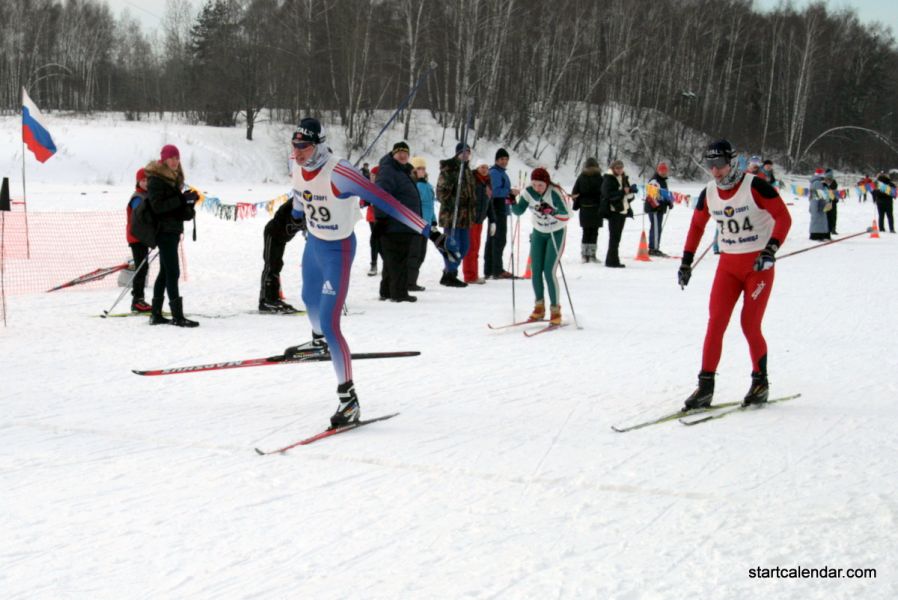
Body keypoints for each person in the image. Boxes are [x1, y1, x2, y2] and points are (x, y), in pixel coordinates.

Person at [282, 118, 442, 428]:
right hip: (314, 244)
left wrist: (430, 232)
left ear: (318, 145)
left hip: (337, 251)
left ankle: (349, 400)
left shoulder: (340, 173)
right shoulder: (297, 165)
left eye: (304, 147)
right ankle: (318, 342)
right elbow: (300, 193)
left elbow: (388, 203)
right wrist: (296, 217)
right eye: (295, 145)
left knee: (330, 321)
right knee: (308, 298)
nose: (297, 152)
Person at [677, 139, 792, 409]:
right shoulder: (709, 192)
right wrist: (686, 262)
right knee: (716, 322)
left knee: (749, 323)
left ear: (732, 162)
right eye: (710, 165)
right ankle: (705, 387)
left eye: (719, 164)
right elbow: (696, 226)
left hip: (757, 267)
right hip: (728, 267)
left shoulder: (755, 186)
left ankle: (760, 382)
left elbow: (783, 218)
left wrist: (770, 250)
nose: (715, 171)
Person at [144, 144, 199, 327]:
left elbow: (178, 211)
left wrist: (189, 204)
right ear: (164, 159)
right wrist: (180, 200)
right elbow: (158, 207)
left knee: (165, 272)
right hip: (163, 231)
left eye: (177, 158)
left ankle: (156, 314)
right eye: (172, 158)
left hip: (173, 231)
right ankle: (177, 316)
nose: (175, 161)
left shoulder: (173, 180)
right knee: (173, 272)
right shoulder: (156, 180)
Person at [512, 168, 570, 325]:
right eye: (535, 184)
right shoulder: (528, 192)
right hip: (538, 231)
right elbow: (518, 211)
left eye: (541, 185)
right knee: (536, 270)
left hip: (555, 232)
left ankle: (555, 310)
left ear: (546, 183)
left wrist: (551, 211)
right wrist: (512, 201)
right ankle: (539, 307)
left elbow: (566, 215)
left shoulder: (554, 192)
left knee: (549, 271)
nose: (537, 188)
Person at [375, 141, 423, 302]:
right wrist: (381, 219)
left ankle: (387, 291)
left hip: (403, 223)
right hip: (395, 223)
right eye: (399, 153)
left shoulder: (401, 170)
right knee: (398, 260)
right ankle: (399, 293)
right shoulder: (389, 170)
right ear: (393, 154)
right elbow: (381, 194)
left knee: (392, 260)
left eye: (405, 153)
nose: (403, 155)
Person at [436, 142, 477, 287]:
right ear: (457, 154)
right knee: (452, 245)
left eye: (468, 152)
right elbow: (440, 194)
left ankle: (448, 271)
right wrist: (454, 196)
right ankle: (451, 274)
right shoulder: (449, 170)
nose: (465, 155)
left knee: (464, 247)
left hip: (466, 217)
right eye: (462, 153)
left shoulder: (467, 170)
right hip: (451, 215)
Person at [259, 196, 305, 312]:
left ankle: (274, 297)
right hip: (273, 234)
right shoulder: (296, 203)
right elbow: (283, 212)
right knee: (272, 266)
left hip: (283, 238)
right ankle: (267, 301)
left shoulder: (312, 206)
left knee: (277, 264)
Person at [485, 148, 516, 279]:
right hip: (497, 208)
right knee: (498, 239)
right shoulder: (495, 173)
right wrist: (510, 192)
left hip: (500, 207)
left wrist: (510, 194)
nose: (504, 161)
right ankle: (496, 269)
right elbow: (495, 192)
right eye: (502, 159)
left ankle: (490, 269)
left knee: (494, 238)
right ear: (496, 160)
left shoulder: (501, 172)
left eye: (506, 159)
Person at [600, 159, 636, 268]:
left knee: (617, 237)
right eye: (617, 168)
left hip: (623, 210)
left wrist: (631, 192)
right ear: (612, 168)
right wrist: (623, 192)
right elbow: (607, 195)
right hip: (614, 211)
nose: (619, 170)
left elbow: (627, 196)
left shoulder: (624, 177)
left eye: (621, 168)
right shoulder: (608, 178)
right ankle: (611, 261)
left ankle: (613, 259)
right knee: (614, 237)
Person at [462, 161, 493, 284]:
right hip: (471, 219)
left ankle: (474, 273)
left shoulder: (487, 182)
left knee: (476, 247)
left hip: (480, 220)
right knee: (471, 248)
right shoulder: (473, 180)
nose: (484, 169)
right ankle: (470, 275)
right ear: (477, 168)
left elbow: (489, 203)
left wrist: (493, 219)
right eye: (482, 167)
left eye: (486, 167)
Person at [125, 168, 152, 313]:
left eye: (148, 180)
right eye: (143, 180)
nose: (146, 183)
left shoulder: (147, 195)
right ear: (138, 182)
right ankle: (137, 300)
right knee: (141, 268)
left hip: (143, 237)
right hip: (136, 237)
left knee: (143, 267)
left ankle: (139, 299)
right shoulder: (138, 197)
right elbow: (138, 217)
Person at [409, 156, 436, 291]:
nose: (422, 171)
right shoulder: (413, 185)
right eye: (419, 168)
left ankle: (412, 280)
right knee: (414, 254)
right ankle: (409, 282)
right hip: (416, 224)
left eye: (423, 168)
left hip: (426, 225)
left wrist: (433, 219)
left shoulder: (427, 185)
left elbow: (430, 205)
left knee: (421, 254)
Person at [571, 157, 604, 263]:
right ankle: (592, 255)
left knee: (586, 231)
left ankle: (584, 255)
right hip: (596, 208)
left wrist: (577, 202)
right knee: (594, 232)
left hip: (584, 208)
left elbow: (574, 193)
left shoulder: (581, 177)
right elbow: (604, 194)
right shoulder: (600, 178)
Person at [645, 160, 673, 257]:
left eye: (665, 171)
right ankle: (653, 249)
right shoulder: (654, 181)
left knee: (657, 228)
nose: (663, 173)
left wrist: (669, 202)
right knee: (656, 228)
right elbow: (651, 197)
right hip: (654, 209)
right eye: (661, 171)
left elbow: (663, 194)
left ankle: (654, 247)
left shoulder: (663, 181)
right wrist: (658, 206)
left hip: (660, 208)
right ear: (658, 171)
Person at [808, 169, 831, 241]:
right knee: (818, 220)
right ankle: (817, 235)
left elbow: (824, 195)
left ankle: (821, 235)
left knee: (821, 221)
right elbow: (815, 199)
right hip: (818, 208)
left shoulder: (821, 183)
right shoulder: (817, 183)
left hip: (821, 207)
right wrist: (815, 209)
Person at [823, 169, 839, 235]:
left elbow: (834, 191)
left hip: (831, 201)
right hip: (828, 201)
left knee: (832, 215)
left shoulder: (832, 182)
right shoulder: (825, 182)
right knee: (829, 215)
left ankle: (832, 229)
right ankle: (830, 229)